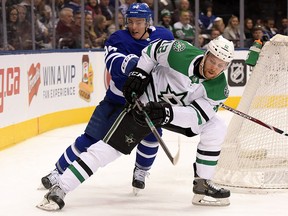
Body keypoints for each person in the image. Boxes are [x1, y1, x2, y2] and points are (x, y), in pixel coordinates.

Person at [37, 35, 234, 210]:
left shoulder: (219, 89)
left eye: (221, 65)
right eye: (213, 61)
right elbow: (151, 51)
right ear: (206, 54)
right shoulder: (179, 52)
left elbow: (197, 117)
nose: (214, 68)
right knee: (108, 150)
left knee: (216, 126)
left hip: (175, 114)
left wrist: (168, 113)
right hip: (144, 106)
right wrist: (140, 72)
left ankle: (203, 183)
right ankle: (61, 187)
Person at [39, 2, 174, 196]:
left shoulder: (164, 37)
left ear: (148, 22)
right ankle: (57, 172)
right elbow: (114, 63)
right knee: (90, 139)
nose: (134, 27)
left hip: (146, 103)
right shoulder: (118, 38)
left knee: (153, 136)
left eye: (139, 22)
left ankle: (141, 171)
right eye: (131, 22)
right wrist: (140, 66)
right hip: (116, 102)